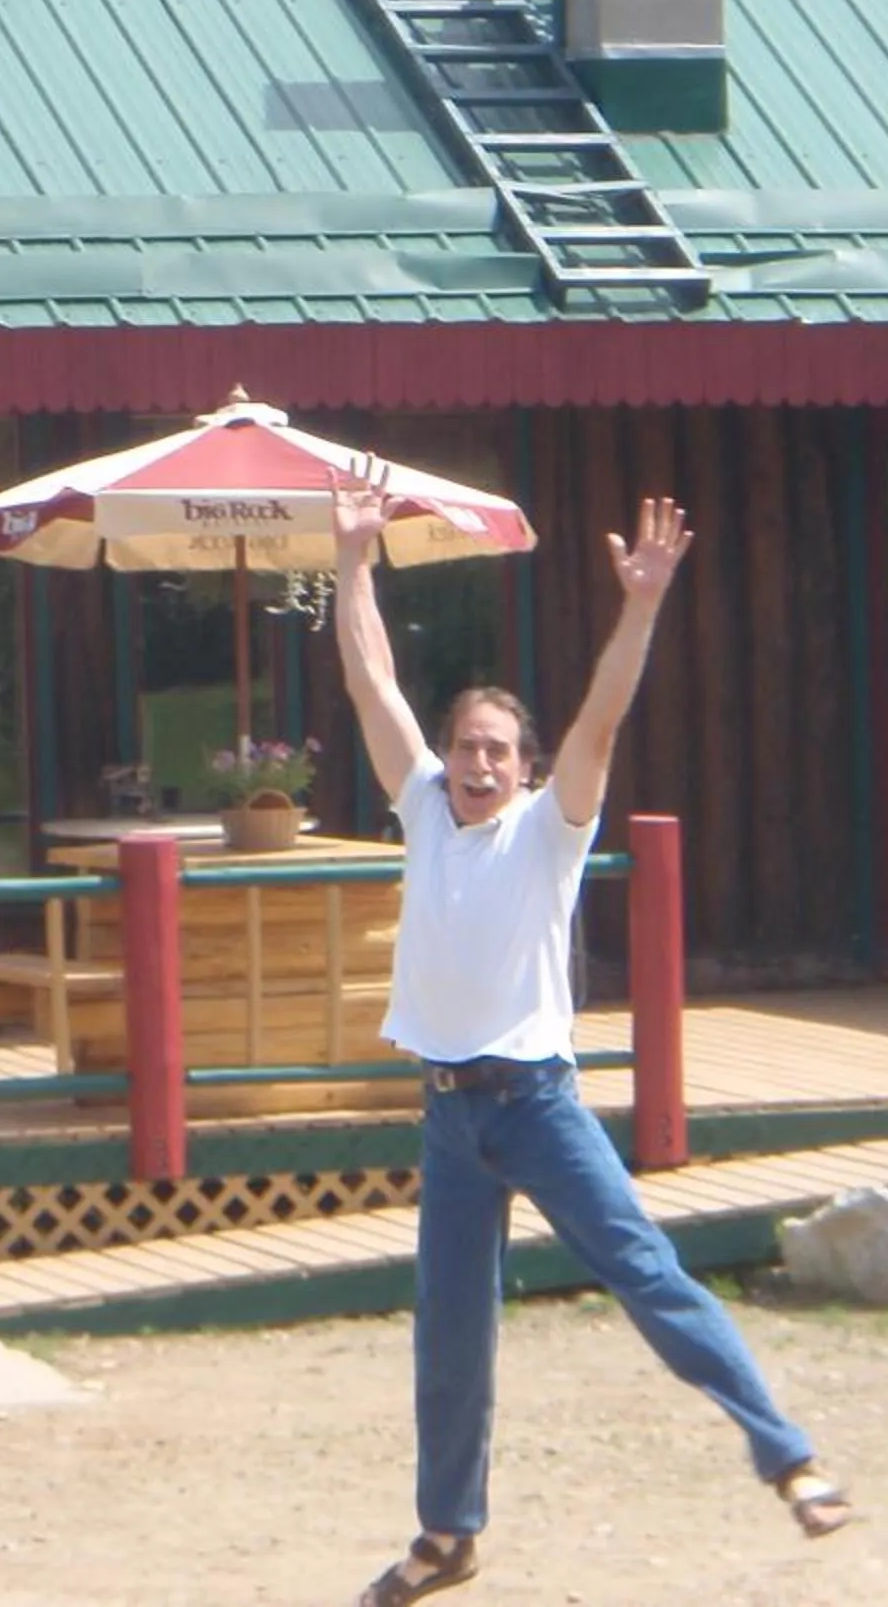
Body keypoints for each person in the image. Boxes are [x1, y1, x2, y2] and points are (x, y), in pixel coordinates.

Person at [333, 462, 853, 1607]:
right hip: (449, 1113)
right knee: (449, 1341)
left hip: (538, 1108)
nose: (474, 766)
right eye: (464, 748)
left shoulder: (550, 828)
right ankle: (446, 1538)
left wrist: (645, 600)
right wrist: (354, 560)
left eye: (493, 754)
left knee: (649, 1277)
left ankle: (791, 1460)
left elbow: (602, 713)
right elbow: (373, 687)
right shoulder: (422, 808)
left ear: (524, 773)